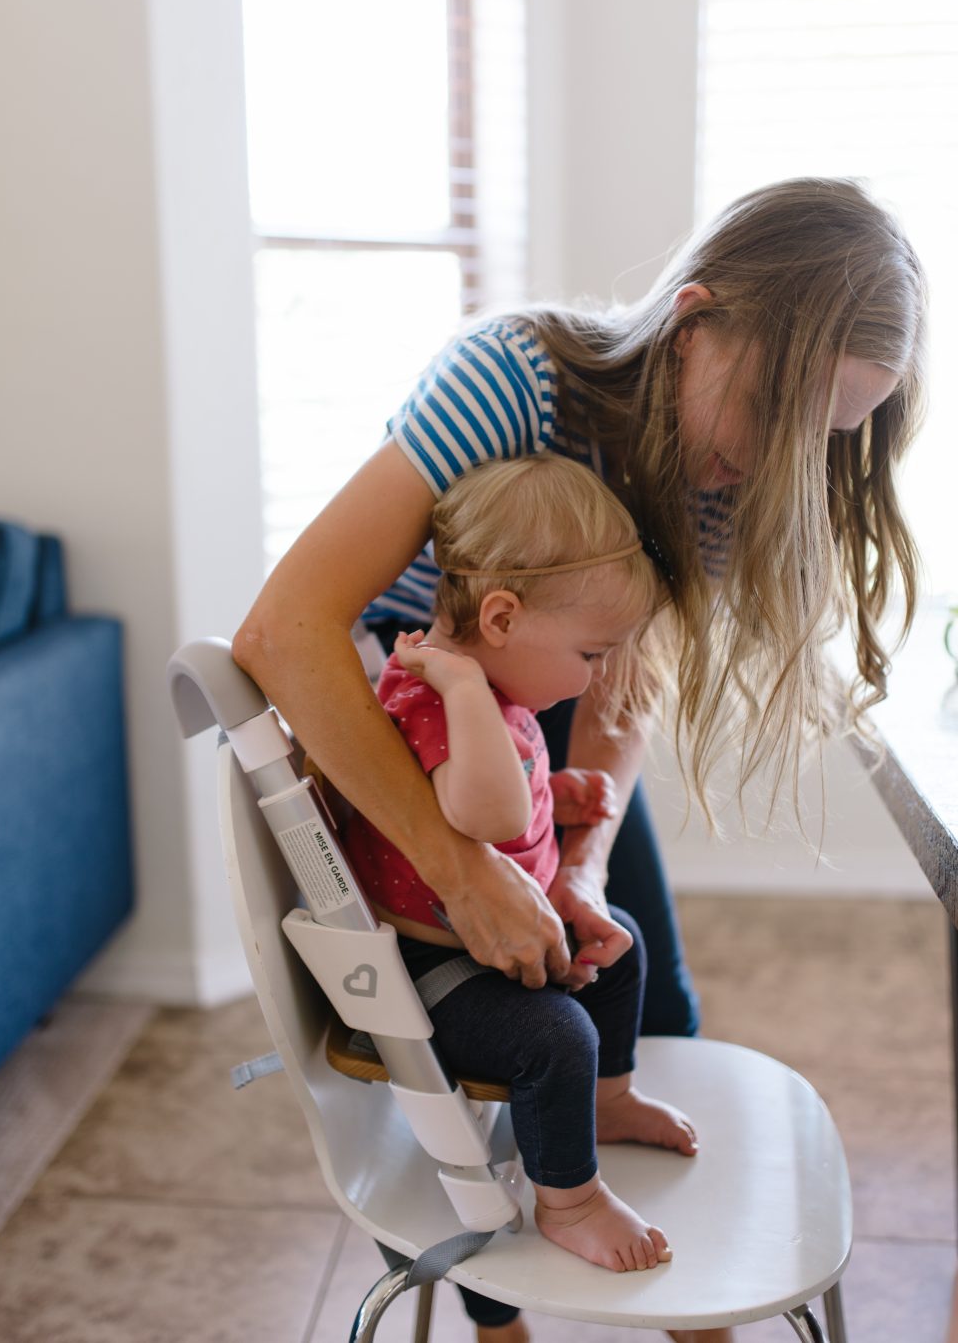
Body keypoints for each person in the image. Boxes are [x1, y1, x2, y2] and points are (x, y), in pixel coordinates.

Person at [234, 176, 927, 1343]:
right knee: (462, 1049)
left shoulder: (725, 479)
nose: (776, 466)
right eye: (773, 409)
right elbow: (282, 633)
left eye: (829, 437)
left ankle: (692, 1310)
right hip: (407, 722)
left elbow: (621, 683)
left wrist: (582, 863)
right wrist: (462, 867)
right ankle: (499, 1317)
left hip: (537, 727)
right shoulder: (509, 379)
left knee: (644, 1001)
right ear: (691, 321)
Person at [347, 454, 696, 1274]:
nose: (599, 676)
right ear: (500, 618)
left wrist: (555, 793)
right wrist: (466, 694)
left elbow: (508, 805)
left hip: (491, 938)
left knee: (624, 945)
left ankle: (606, 1107)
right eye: (590, 653)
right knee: (558, 1039)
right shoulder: (441, 699)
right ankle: (568, 1201)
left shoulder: (494, 695)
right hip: (431, 970)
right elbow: (488, 813)